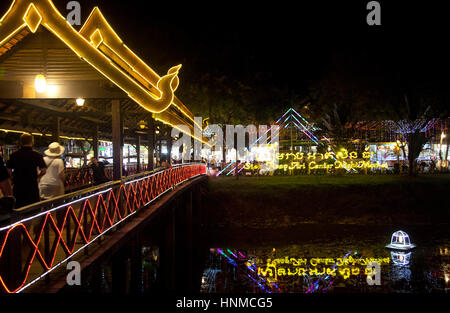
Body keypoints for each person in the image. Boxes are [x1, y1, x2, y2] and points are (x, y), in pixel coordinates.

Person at [6, 133, 47, 209]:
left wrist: (12, 177)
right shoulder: (37, 155)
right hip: (32, 187)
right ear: (32, 141)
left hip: (18, 187)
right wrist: (37, 177)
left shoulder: (14, 155)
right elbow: (43, 170)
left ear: (21, 142)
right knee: (33, 209)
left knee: (19, 209)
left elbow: (8, 169)